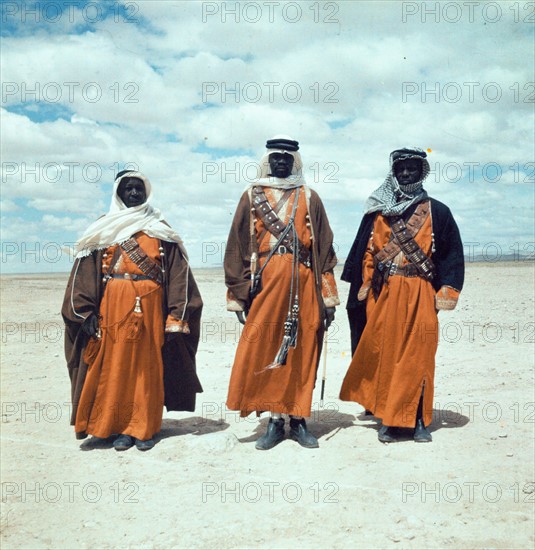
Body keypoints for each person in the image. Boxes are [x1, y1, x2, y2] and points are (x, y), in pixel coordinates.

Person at [62, 170, 203, 451]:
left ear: (146, 192)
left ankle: (141, 429)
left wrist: (177, 315)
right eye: (129, 188)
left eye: (139, 188)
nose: (134, 193)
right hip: (111, 307)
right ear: (119, 193)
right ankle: (109, 427)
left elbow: (178, 273)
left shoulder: (159, 226)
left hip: (150, 309)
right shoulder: (103, 228)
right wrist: (85, 312)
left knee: (146, 367)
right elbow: (84, 271)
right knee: (112, 365)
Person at [339, 148, 464, 443]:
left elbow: (451, 255)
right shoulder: (377, 212)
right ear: (393, 173)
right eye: (401, 169)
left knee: (419, 358)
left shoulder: (438, 211)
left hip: (421, 291)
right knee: (387, 356)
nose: (406, 173)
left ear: (422, 171)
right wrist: (365, 287)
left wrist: (447, 289)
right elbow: (364, 254)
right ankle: (390, 419)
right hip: (384, 294)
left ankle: (418, 419)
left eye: (412, 168)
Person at [224, 136, 340, 450]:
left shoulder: (309, 196)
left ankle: (299, 420)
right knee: (267, 350)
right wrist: (238, 294)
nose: (280, 162)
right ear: (268, 160)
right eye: (275, 157)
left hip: (305, 284)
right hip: (266, 287)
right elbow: (236, 247)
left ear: (294, 162)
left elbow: (324, 250)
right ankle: (275, 422)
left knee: (301, 352)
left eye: (286, 158)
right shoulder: (251, 195)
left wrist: (327, 297)